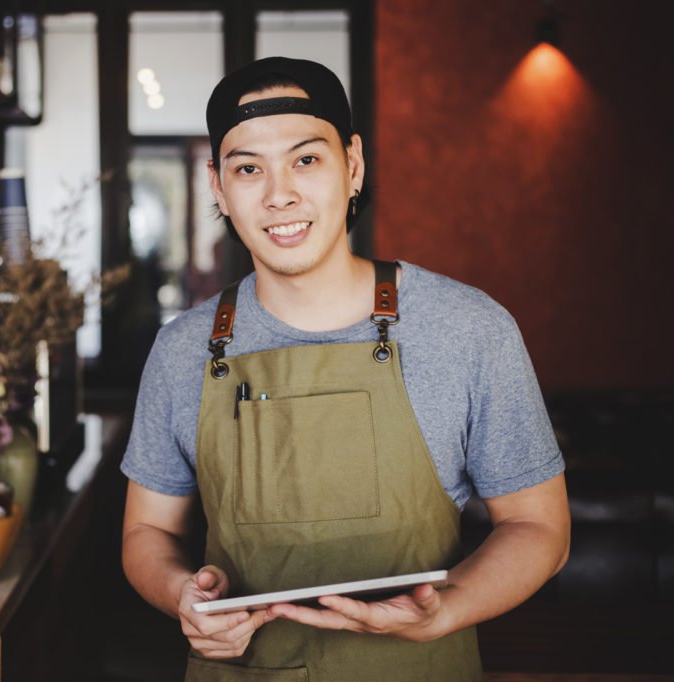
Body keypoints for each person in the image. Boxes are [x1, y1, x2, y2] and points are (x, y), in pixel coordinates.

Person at [120, 56, 570, 680]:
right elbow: (146, 530)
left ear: (352, 165)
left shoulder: (469, 329)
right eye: (248, 168)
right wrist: (180, 595)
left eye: (306, 159)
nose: (280, 195)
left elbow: (539, 526)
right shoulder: (183, 349)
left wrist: (446, 611)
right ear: (218, 189)